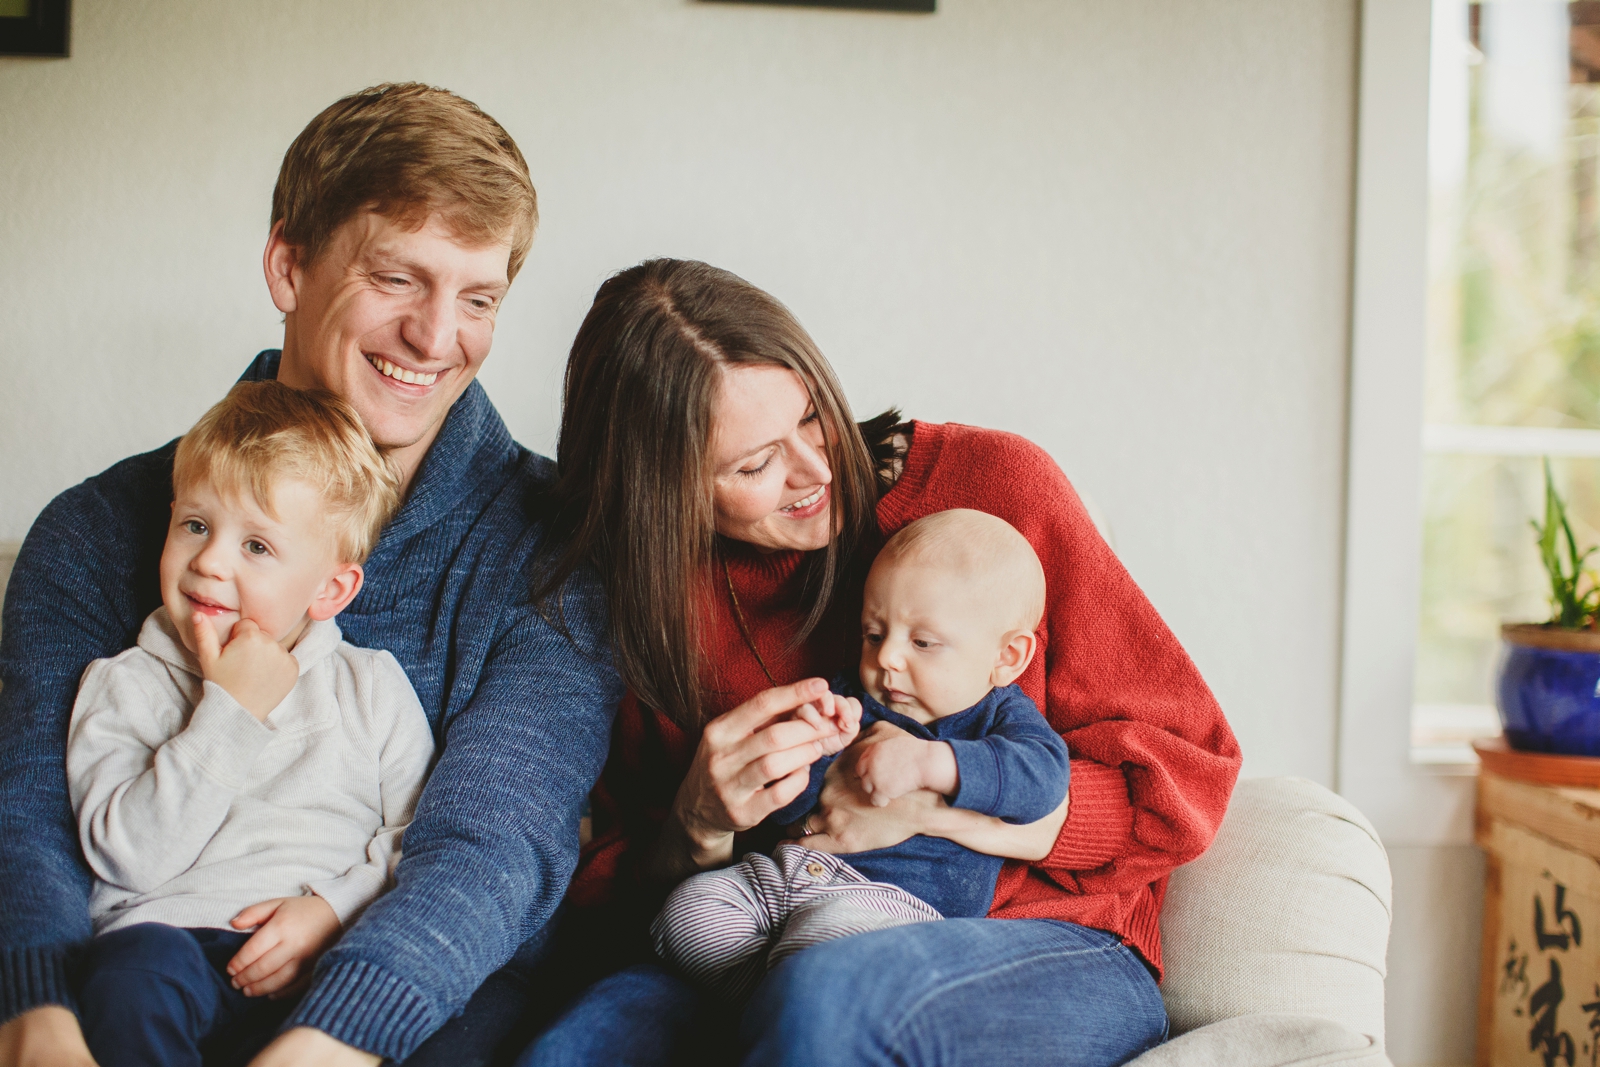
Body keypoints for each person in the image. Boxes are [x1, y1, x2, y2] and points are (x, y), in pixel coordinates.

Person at [0, 84, 622, 1067]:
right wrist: (34, 1010)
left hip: (426, 1003)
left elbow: (496, 837)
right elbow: (28, 792)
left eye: (478, 297)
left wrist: (331, 1037)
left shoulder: (555, 546)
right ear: (289, 265)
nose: (433, 336)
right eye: (396, 278)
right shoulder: (101, 526)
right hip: (139, 981)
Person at [517, 258, 1243, 1067]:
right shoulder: (640, 597)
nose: (817, 472)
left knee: (824, 995)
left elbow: (1190, 781)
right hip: (775, 917)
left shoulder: (993, 488)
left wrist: (930, 806)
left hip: (1044, 941)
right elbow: (604, 888)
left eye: (812, 418)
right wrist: (699, 822)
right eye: (754, 465)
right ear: (663, 491)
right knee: (570, 1050)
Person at [67, 382, 434, 1067]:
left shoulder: (371, 686)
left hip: (317, 962)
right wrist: (229, 712)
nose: (210, 561)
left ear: (331, 589)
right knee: (128, 976)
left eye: (257, 546)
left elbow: (419, 839)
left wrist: (332, 909)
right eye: (196, 525)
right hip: (164, 950)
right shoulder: (123, 685)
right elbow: (126, 856)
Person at [652, 509, 1070, 1003]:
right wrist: (808, 752)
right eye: (874, 634)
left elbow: (1042, 783)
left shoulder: (1001, 719)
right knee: (686, 914)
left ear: (1007, 658)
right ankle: (761, 1006)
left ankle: (786, 1003)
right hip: (782, 874)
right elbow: (789, 814)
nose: (886, 657)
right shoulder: (848, 697)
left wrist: (932, 764)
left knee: (819, 959)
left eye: (922, 642)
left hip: (885, 909)